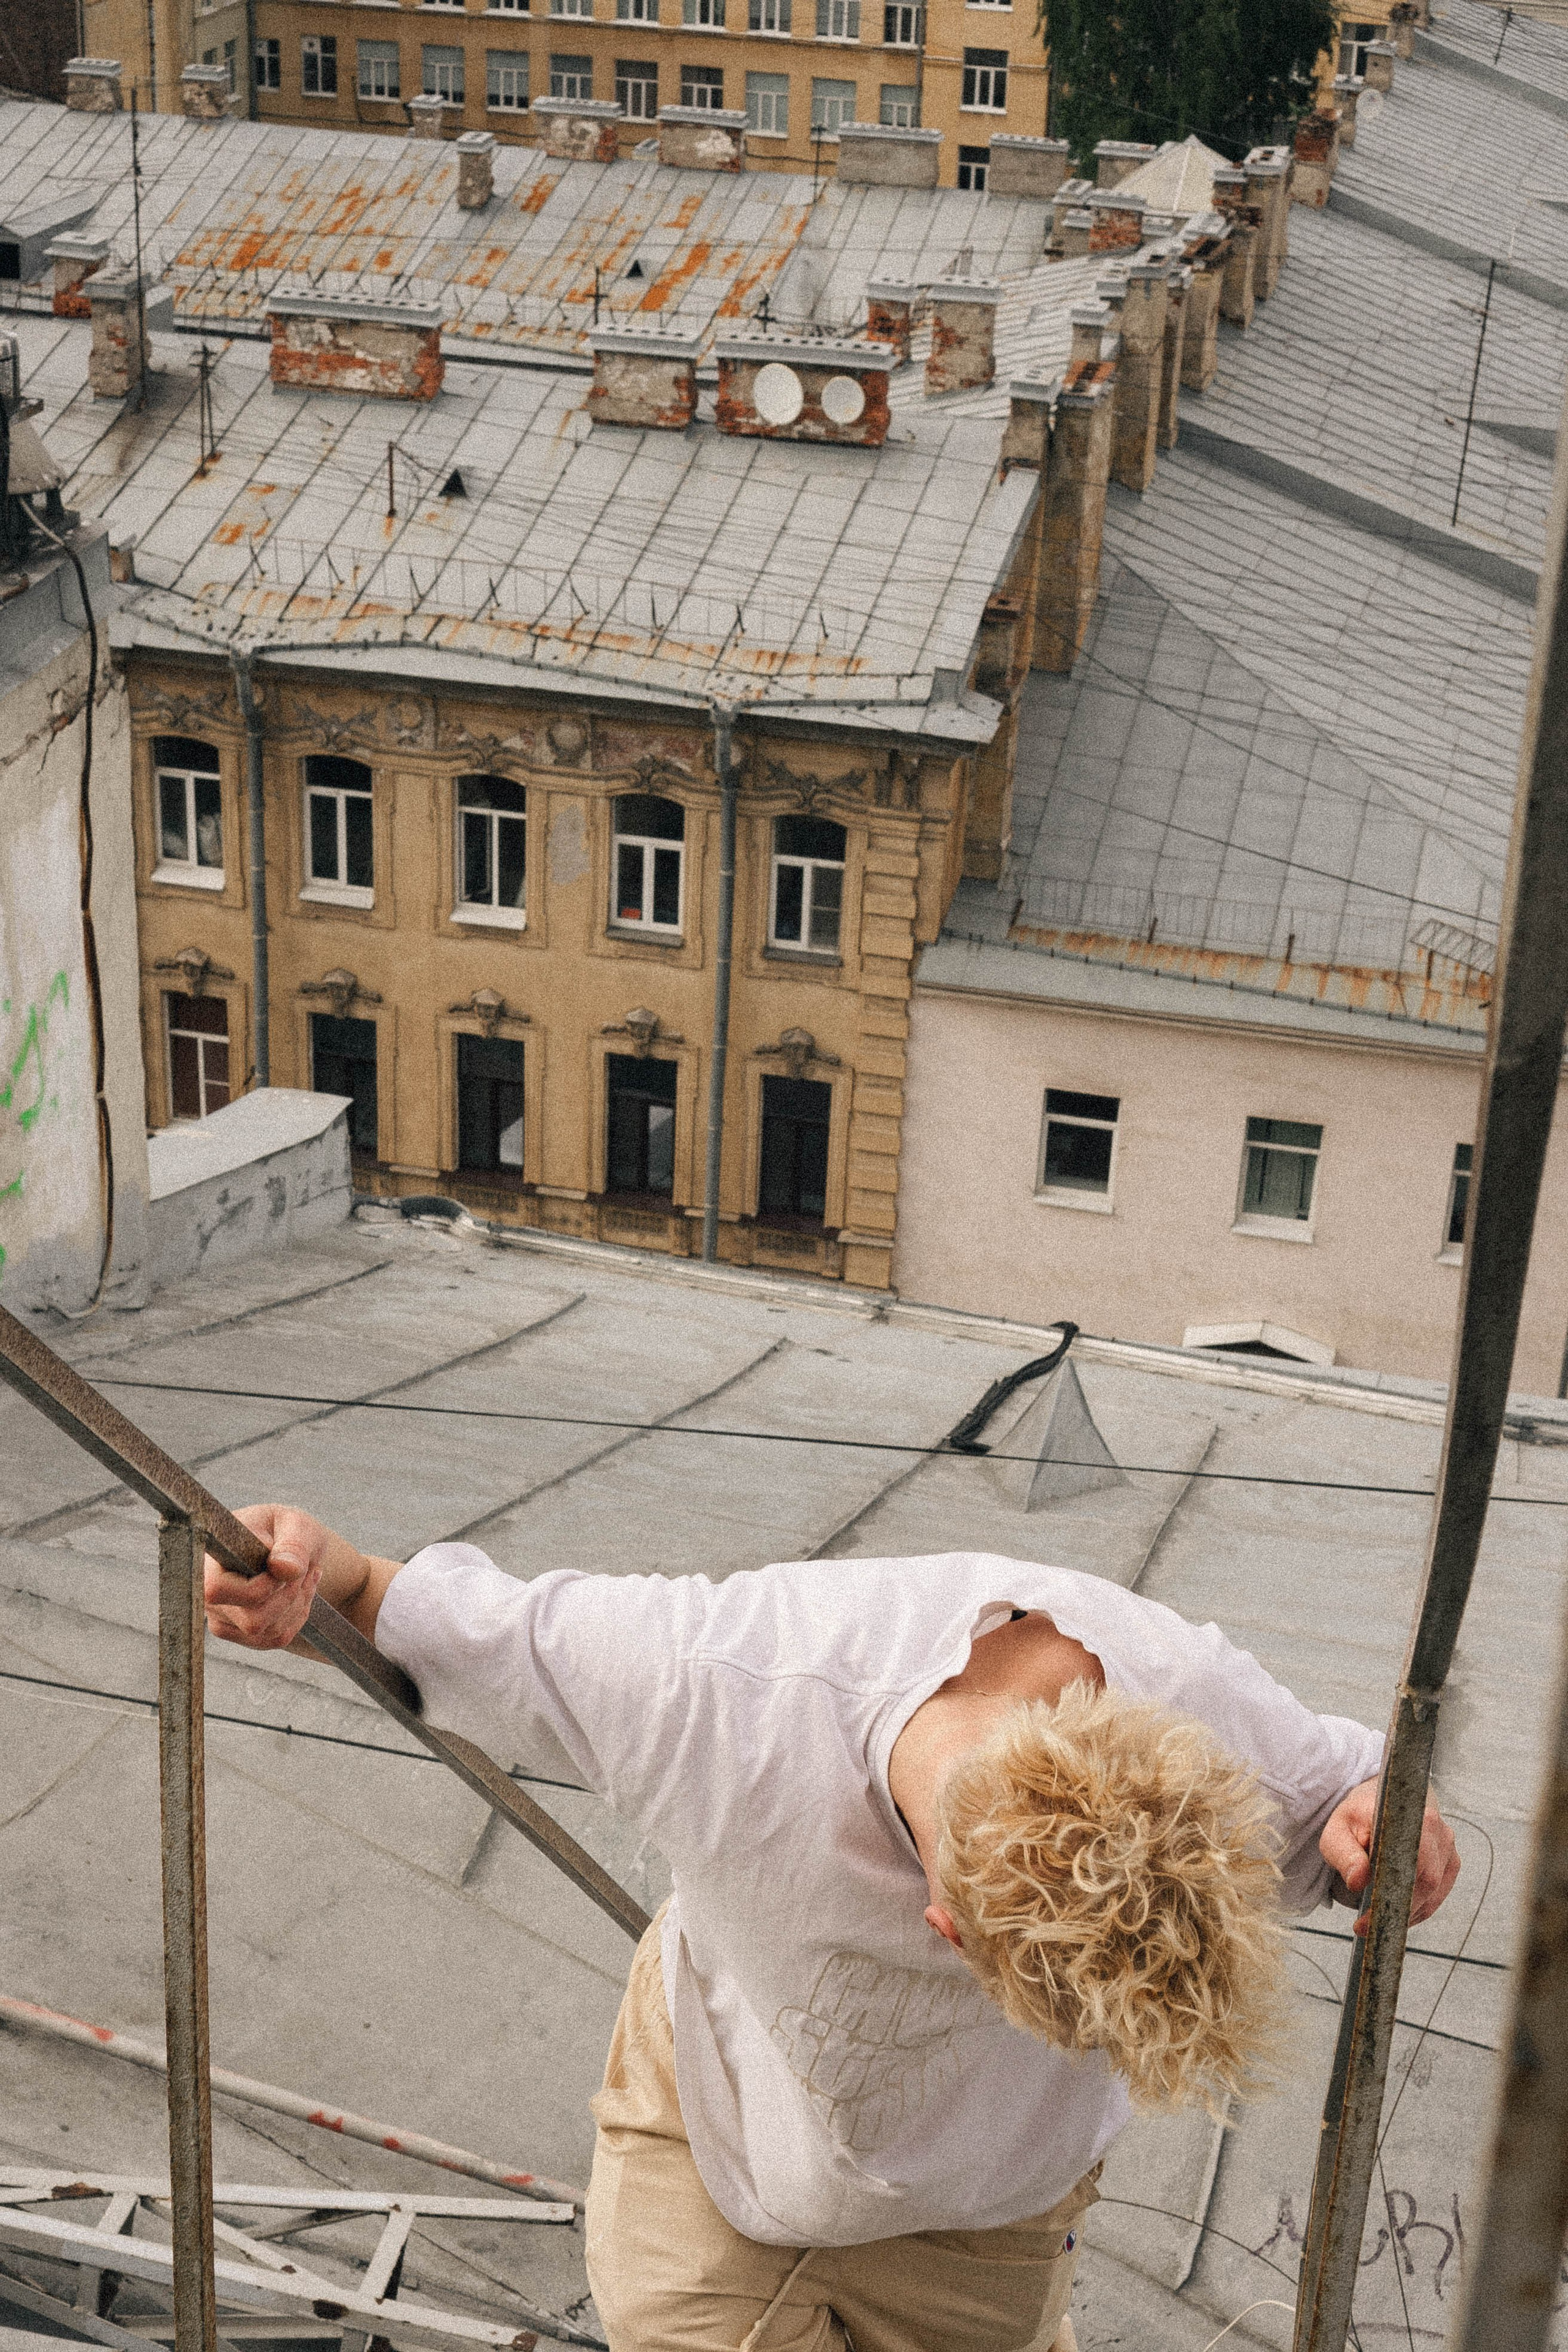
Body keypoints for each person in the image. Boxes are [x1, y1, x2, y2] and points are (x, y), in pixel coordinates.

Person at [204, 1513, 1460, 2352]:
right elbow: (403, 1607)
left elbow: (1350, 1786)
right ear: (942, 1922)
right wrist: (303, 1571)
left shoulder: (1194, 1704)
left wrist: (1381, 1831)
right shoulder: (710, 1685)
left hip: (994, 2215)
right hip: (726, 2158)